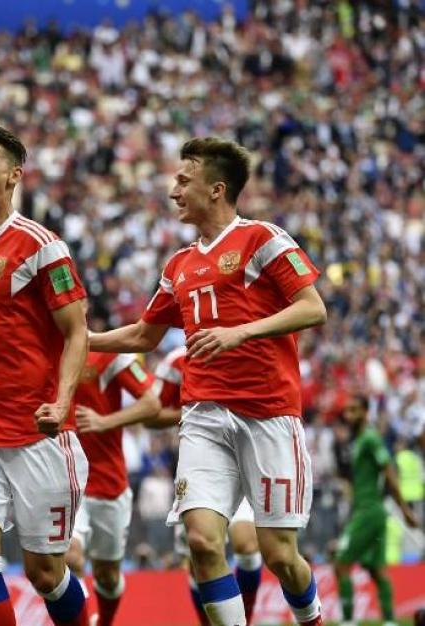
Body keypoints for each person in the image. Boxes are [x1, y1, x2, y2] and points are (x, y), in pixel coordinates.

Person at [90, 136, 328, 626]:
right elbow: (143, 334)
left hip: (267, 415)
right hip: (203, 415)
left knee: (280, 555)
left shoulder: (262, 239)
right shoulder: (178, 264)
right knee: (200, 541)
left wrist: (240, 332)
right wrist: (81, 338)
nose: (173, 190)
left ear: (217, 189)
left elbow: (313, 308)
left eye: (184, 180)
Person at [0, 125, 90, 626]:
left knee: (45, 574)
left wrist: (63, 402)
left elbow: (77, 332)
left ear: (13, 176)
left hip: (35, 431)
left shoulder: (41, 246)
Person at [156, 345, 263, 626]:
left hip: (242, 459)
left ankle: (246, 619)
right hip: (200, 464)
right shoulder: (176, 361)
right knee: (200, 552)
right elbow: (153, 412)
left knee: (247, 544)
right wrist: (196, 409)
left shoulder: (242, 343)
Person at [65, 350, 161, 626]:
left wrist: (103, 421)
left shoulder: (109, 356)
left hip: (108, 484)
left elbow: (152, 404)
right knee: (71, 556)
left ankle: (104, 621)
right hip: (66, 481)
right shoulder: (43, 350)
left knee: (106, 575)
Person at [335, 396, 419, 626]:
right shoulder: (360, 440)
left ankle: (348, 621)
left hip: (369, 511)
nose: (348, 415)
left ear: (365, 411)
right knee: (377, 569)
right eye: (347, 411)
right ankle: (390, 621)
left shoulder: (370, 439)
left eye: (354, 410)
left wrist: (405, 510)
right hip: (368, 510)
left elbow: (389, 471)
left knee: (341, 563)